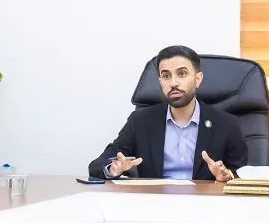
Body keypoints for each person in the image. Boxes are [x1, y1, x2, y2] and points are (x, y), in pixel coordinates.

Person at [87, 45, 248, 182]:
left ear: (198, 79)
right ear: (160, 82)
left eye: (182, 74)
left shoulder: (227, 124)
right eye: (166, 76)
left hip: (205, 204)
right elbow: (98, 165)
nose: (173, 83)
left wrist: (227, 176)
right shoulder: (140, 121)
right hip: (155, 203)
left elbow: (244, 174)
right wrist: (113, 169)